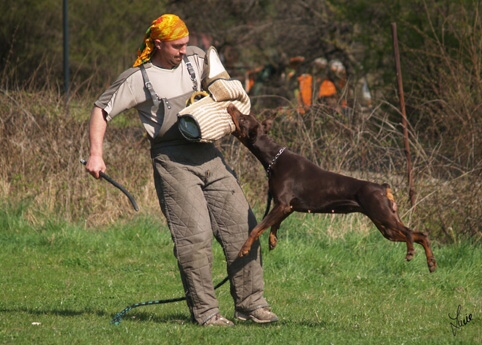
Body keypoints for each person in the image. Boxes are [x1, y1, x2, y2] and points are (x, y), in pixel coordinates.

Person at [85, 14, 278, 326]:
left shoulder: (196, 61)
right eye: (177, 46)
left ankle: (251, 305)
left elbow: (222, 85)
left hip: (209, 154)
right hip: (172, 160)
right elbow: (101, 110)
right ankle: (206, 313)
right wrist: (96, 153)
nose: (184, 50)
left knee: (243, 226)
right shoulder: (138, 78)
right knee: (195, 238)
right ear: (158, 44)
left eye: (187, 44)